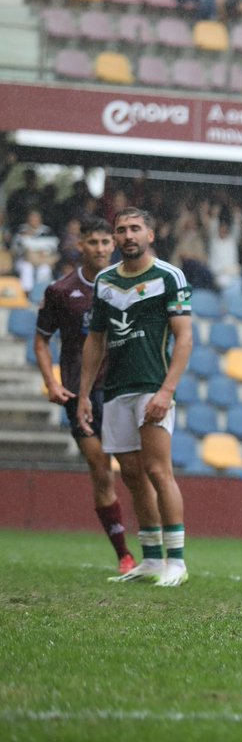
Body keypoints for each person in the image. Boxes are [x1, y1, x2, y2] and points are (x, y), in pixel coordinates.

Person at [76, 208, 193, 587]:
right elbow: (96, 341)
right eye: (121, 230)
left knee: (159, 471)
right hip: (115, 391)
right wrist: (83, 394)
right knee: (131, 476)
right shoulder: (106, 282)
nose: (128, 235)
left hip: (152, 387)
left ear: (150, 234)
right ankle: (152, 559)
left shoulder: (169, 275)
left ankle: (177, 561)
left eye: (135, 229)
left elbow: (185, 338)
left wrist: (167, 391)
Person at [33, 217, 135, 576]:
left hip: (121, 389)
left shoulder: (129, 283)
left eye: (107, 242)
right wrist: (51, 382)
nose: (102, 249)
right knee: (101, 469)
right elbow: (42, 340)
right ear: (81, 246)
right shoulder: (61, 291)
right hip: (80, 392)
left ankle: (157, 546)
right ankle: (124, 554)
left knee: (136, 470)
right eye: (94, 242)